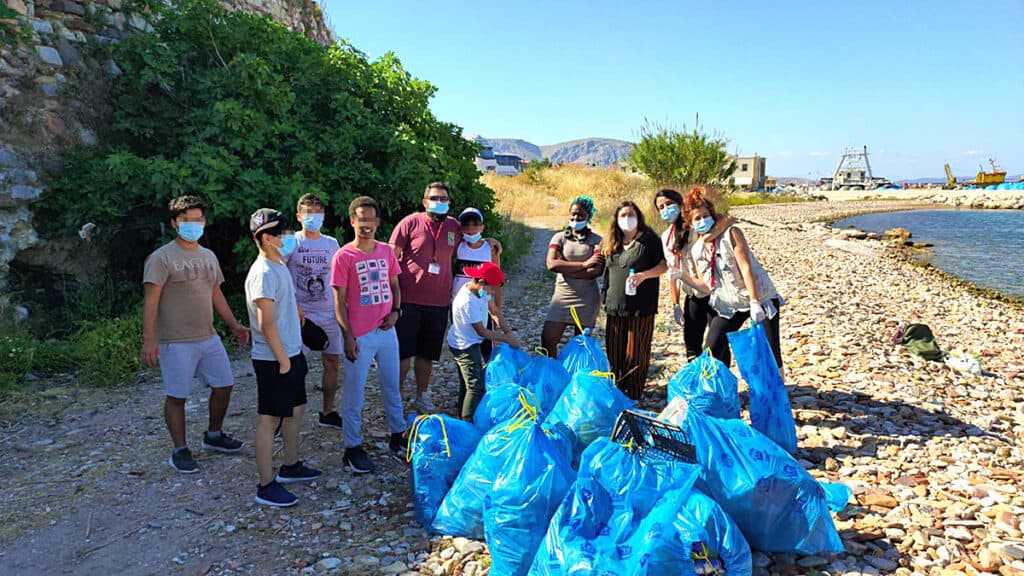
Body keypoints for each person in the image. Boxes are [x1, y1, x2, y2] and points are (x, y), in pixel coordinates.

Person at [141, 195, 249, 474]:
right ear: (175, 223)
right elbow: (151, 300)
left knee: (224, 385)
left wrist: (234, 325)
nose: (193, 225)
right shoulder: (161, 258)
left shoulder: (208, 256)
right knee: (177, 396)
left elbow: (215, 292)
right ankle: (180, 449)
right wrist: (150, 339)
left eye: (198, 219)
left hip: (208, 336)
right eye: (186, 220)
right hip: (175, 341)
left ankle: (214, 435)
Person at [389, 182, 500, 413]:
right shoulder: (410, 223)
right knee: (403, 354)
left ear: (449, 202)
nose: (439, 203)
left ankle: (422, 395)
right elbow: (391, 257)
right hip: (408, 299)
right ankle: (395, 398)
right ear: (425, 201)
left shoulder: (453, 226)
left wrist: (490, 241)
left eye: (444, 199)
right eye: (434, 198)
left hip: (439, 301)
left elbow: (472, 237)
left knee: (427, 354)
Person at [246, 208, 322, 507]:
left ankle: (291, 465)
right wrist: (283, 360)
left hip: (291, 351)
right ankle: (265, 485)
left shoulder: (278, 265)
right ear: (266, 238)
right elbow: (265, 323)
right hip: (274, 359)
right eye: (281, 233)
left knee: (296, 409)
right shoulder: (263, 273)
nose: (288, 237)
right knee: (270, 418)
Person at [330, 196, 406, 474]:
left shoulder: (386, 251)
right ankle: (352, 448)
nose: (367, 225)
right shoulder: (344, 256)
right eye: (362, 219)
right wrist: (347, 336)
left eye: (371, 219)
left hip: (386, 331)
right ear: (352, 221)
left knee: (392, 387)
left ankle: (398, 436)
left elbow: (395, 286)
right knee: (355, 393)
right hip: (359, 335)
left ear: (378, 222)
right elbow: (339, 301)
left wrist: (396, 312)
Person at [684, 186, 785, 372]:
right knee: (711, 348)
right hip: (730, 305)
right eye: (697, 218)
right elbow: (705, 287)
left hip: (760, 297)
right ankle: (718, 386)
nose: (702, 220)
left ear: (713, 216)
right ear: (690, 224)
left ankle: (779, 388)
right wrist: (681, 276)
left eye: (706, 216)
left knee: (771, 352)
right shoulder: (697, 250)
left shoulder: (731, 233)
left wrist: (755, 302)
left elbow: (745, 267)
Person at [284, 193, 343, 430]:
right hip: (300, 313)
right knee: (293, 365)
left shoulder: (332, 243)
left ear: (324, 215)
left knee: (332, 362)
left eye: (317, 212)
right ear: (299, 216)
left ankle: (327, 411)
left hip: (329, 311)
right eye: (308, 213)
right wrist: (292, 305)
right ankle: (285, 415)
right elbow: (278, 271)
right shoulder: (290, 241)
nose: (313, 217)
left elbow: (339, 276)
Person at [654, 188, 734, 361]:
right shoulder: (666, 237)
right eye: (661, 207)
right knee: (691, 343)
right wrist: (675, 304)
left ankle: (721, 376)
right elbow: (672, 271)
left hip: (714, 292)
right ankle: (697, 375)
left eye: (669, 204)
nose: (666, 209)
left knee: (718, 344)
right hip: (693, 294)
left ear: (679, 204)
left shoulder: (696, 223)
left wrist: (707, 237)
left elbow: (727, 219)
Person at [602, 201, 666, 401]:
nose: (627, 219)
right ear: (616, 219)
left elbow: (664, 265)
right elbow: (607, 271)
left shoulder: (650, 240)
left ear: (638, 217)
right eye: (623, 215)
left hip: (641, 307)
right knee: (614, 354)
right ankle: (617, 392)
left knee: (636, 353)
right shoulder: (613, 242)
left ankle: (634, 394)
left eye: (631, 215)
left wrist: (644, 275)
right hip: (614, 306)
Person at [447, 262, 522, 420]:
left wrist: (508, 331)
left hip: (472, 341)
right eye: (492, 288)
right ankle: (467, 420)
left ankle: (462, 410)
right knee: (475, 385)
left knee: (467, 381)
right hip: (464, 346)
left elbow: (494, 311)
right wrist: (506, 339)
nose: (493, 292)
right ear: (481, 282)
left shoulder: (480, 291)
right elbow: (481, 331)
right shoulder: (467, 302)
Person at [542, 195, 604, 357]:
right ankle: (553, 369)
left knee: (581, 344)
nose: (576, 218)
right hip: (562, 295)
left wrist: (565, 267)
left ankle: (576, 371)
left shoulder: (597, 240)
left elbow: (596, 271)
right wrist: (584, 264)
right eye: (573, 214)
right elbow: (552, 264)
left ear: (588, 216)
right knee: (548, 339)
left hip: (587, 297)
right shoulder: (559, 237)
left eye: (580, 215)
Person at [452, 207, 504, 361]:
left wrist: (498, 307)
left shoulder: (490, 249)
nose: (470, 229)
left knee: (487, 346)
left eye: (475, 224)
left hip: (484, 303)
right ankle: (469, 372)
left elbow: (497, 280)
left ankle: (490, 373)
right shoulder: (458, 246)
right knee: (464, 343)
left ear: (482, 227)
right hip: (460, 303)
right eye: (466, 225)